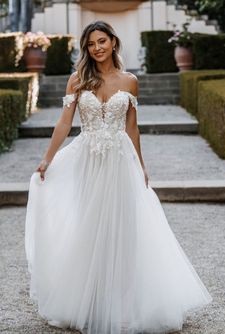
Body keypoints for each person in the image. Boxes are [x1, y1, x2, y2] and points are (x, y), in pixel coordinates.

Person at [25, 21, 212, 334]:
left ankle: (122, 302)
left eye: (102, 41)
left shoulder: (130, 81)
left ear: (113, 42)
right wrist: (47, 159)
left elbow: (132, 128)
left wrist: (142, 165)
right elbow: (63, 123)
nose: (97, 48)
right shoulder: (77, 79)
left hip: (120, 161)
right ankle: (90, 300)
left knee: (122, 228)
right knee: (90, 225)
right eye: (91, 44)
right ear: (86, 49)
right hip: (88, 159)